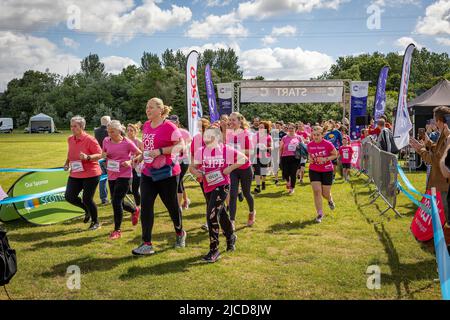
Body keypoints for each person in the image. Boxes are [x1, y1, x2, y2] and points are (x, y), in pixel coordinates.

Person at [131, 98, 186, 256]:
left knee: (172, 206)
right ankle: (147, 243)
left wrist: (161, 152)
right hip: (148, 173)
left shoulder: (169, 126)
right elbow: (148, 148)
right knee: (146, 205)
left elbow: (181, 146)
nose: (147, 110)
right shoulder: (147, 125)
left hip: (167, 174)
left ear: (160, 110)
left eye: (151, 107)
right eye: (146, 107)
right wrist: (141, 157)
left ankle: (180, 233)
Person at [190, 126, 244, 262]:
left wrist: (229, 169)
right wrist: (197, 172)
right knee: (222, 214)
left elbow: (243, 159)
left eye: (210, 136)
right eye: (205, 136)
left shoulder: (226, 149)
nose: (207, 138)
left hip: (222, 185)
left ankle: (214, 250)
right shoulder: (201, 151)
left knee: (212, 215)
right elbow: (192, 167)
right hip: (207, 186)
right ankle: (231, 236)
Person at [103, 120, 142, 239]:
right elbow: (103, 152)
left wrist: (130, 161)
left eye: (112, 131)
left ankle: (117, 230)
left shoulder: (127, 142)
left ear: (119, 130)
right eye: (108, 131)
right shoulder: (106, 140)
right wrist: (103, 155)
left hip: (125, 175)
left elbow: (140, 154)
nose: (110, 134)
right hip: (111, 174)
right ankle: (134, 210)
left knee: (115, 201)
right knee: (117, 200)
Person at [411, 106, 450, 222]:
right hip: (442, 183)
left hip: (444, 184)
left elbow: (435, 160)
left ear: (438, 120)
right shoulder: (444, 133)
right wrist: (428, 143)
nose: (433, 123)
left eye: (434, 120)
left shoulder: (447, 135)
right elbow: (438, 151)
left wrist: (420, 150)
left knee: (446, 219)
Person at [64, 116, 103, 230]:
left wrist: (88, 157)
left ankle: (96, 222)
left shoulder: (90, 139)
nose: (72, 128)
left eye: (75, 126)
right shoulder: (70, 139)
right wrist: (66, 163)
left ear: (82, 127)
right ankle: (87, 210)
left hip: (91, 173)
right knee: (69, 196)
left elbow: (100, 154)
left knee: (87, 199)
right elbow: (70, 153)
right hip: (75, 173)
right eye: (71, 126)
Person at [226, 112, 256, 229]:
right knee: (232, 194)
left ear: (240, 121)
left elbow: (251, 152)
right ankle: (232, 221)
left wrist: (237, 149)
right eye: (230, 120)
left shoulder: (246, 134)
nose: (231, 122)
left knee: (247, 193)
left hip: (245, 168)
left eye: (233, 120)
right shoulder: (228, 134)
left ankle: (252, 212)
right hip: (232, 168)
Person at [307, 126, 338, 223]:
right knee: (316, 191)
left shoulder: (328, 144)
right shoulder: (310, 145)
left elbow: (335, 154)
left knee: (325, 193)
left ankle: (330, 200)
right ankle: (320, 214)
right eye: (314, 135)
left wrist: (324, 159)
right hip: (314, 169)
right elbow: (309, 155)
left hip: (327, 170)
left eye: (317, 135)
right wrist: (310, 159)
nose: (315, 137)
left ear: (322, 135)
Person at [168, 115, 192, 211]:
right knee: (179, 181)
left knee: (178, 181)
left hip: (184, 159)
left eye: (174, 122)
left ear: (177, 123)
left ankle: (177, 206)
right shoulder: (168, 132)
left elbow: (190, 143)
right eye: (170, 122)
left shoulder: (184, 132)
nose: (172, 124)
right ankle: (186, 200)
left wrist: (185, 146)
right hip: (173, 160)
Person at [279, 123, 301, 195]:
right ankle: (288, 181)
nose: (291, 130)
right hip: (285, 157)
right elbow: (281, 148)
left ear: (295, 129)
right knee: (285, 172)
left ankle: (292, 188)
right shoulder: (284, 138)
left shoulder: (298, 137)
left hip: (295, 158)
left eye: (292, 128)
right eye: (289, 128)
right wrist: (279, 157)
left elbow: (302, 147)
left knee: (293, 173)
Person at [126, 122, 143, 211]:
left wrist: (136, 159)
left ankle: (138, 207)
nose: (129, 132)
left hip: (137, 168)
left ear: (135, 132)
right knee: (128, 189)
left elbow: (144, 153)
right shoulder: (125, 141)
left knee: (135, 189)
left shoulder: (138, 142)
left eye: (131, 130)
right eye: (128, 130)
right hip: (126, 168)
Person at [94, 115, 111, 205]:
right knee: (112, 177)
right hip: (109, 156)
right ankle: (113, 196)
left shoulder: (96, 131)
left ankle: (103, 198)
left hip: (100, 156)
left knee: (102, 179)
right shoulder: (109, 131)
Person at [253, 121, 273, 194]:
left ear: (266, 128)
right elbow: (251, 145)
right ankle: (258, 186)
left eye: (262, 127)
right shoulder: (255, 135)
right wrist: (256, 146)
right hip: (256, 156)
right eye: (259, 127)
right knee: (257, 171)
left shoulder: (268, 137)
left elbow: (272, 147)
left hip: (265, 156)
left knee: (263, 172)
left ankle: (263, 182)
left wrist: (266, 148)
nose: (260, 128)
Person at [272, 121, 286, 185]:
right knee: (275, 165)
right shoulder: (273, 133)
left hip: (282, 151)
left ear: (281, 126)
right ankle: (276, 179)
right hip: (275, 151)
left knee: (282, 165)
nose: (277, 127)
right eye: (276, 125)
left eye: (278, 125)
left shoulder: (283, 133)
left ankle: (284, 174)